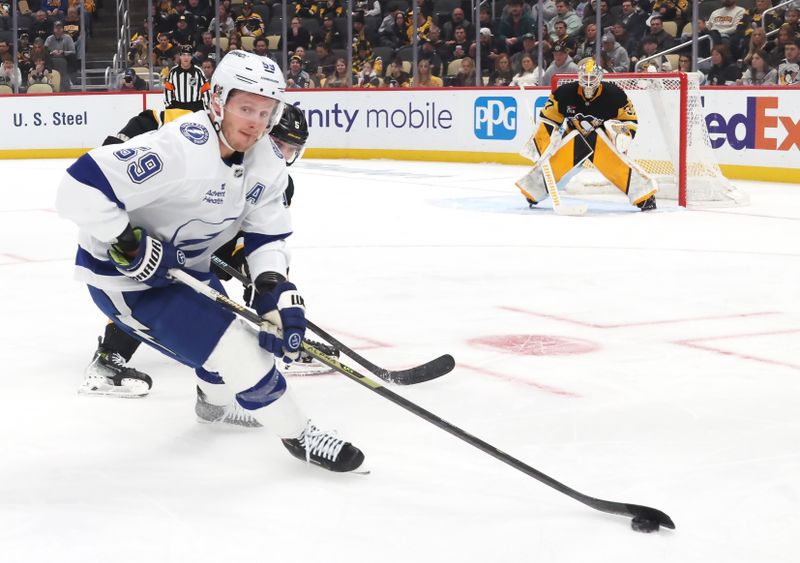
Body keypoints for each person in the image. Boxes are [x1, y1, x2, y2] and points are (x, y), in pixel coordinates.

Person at [56, 50, 365, 473]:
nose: (255, 121)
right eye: (245, 107)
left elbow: (265, 234)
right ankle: (301, 437)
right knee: (239, 352)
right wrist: (127, 242)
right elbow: (77, 189)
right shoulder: (178, 148)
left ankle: (211, 406)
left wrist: (273, 284)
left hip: (188, 271)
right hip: (127, 283)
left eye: (265, 110)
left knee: (234, 349)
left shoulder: (269, 163)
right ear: (217, 101)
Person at [516, 59, 657, 212]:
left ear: (600, 77)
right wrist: (541, 146)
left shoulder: (615, 94)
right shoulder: (564, 93)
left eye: (592, 78)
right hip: (574, 138)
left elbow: (629, 120)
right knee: (558, 159)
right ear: (578, 76)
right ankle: (533, 191)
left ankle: (644, 195)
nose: (589, 82)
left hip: (603, 139)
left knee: (608, 155)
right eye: (585, 78)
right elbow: (548, 121)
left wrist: (624, 135)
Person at [164, 45, 210, 111]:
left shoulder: (198, 71)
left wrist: (207, 107)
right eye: (183, 55)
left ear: (191, 57)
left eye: (188, 55)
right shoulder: (173, 72)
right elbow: (168, 90)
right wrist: (169, 106)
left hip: (196, 108)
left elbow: (206, 90)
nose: (186, 57)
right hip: (178, 107)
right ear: (180, 56)